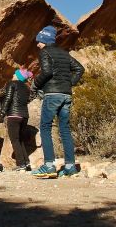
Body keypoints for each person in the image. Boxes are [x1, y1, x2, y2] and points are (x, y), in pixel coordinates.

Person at [29, 25, 85, 179]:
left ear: (45, 40)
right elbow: (80, 69)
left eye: (39, 41)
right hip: (66, 95)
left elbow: (47, 72)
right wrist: (69, 83)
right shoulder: (64, 53)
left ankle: (48, 166)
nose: (37, 44)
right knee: (65, 129)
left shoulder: (44, 52)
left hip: (52, 95)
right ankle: (70, 166)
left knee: (45, 128)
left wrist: (36, 83)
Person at [0, 68, 34, 171]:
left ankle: (21, 164)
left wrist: (2, 114)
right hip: (24, 116)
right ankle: (26, 162)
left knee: (14, 140)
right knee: (20, 140)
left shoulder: (12, 84)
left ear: (18, 76)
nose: (13, 74)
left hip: (14, 116)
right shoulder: (27, 87)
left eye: (15, 73)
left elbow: (8, 99)